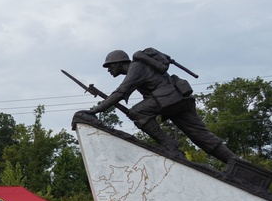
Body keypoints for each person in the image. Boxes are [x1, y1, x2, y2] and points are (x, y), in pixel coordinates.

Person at [83, 49, 235, 163]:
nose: (109, 70)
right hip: (177, 99)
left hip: (170, 98)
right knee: (200, 135)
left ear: (118, 63)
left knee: (137, 112)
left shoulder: (136, 68)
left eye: (109, 66)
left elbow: (122, 91)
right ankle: (235, 162)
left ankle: (169, 144)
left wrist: (97, 109)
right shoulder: (140, 67)